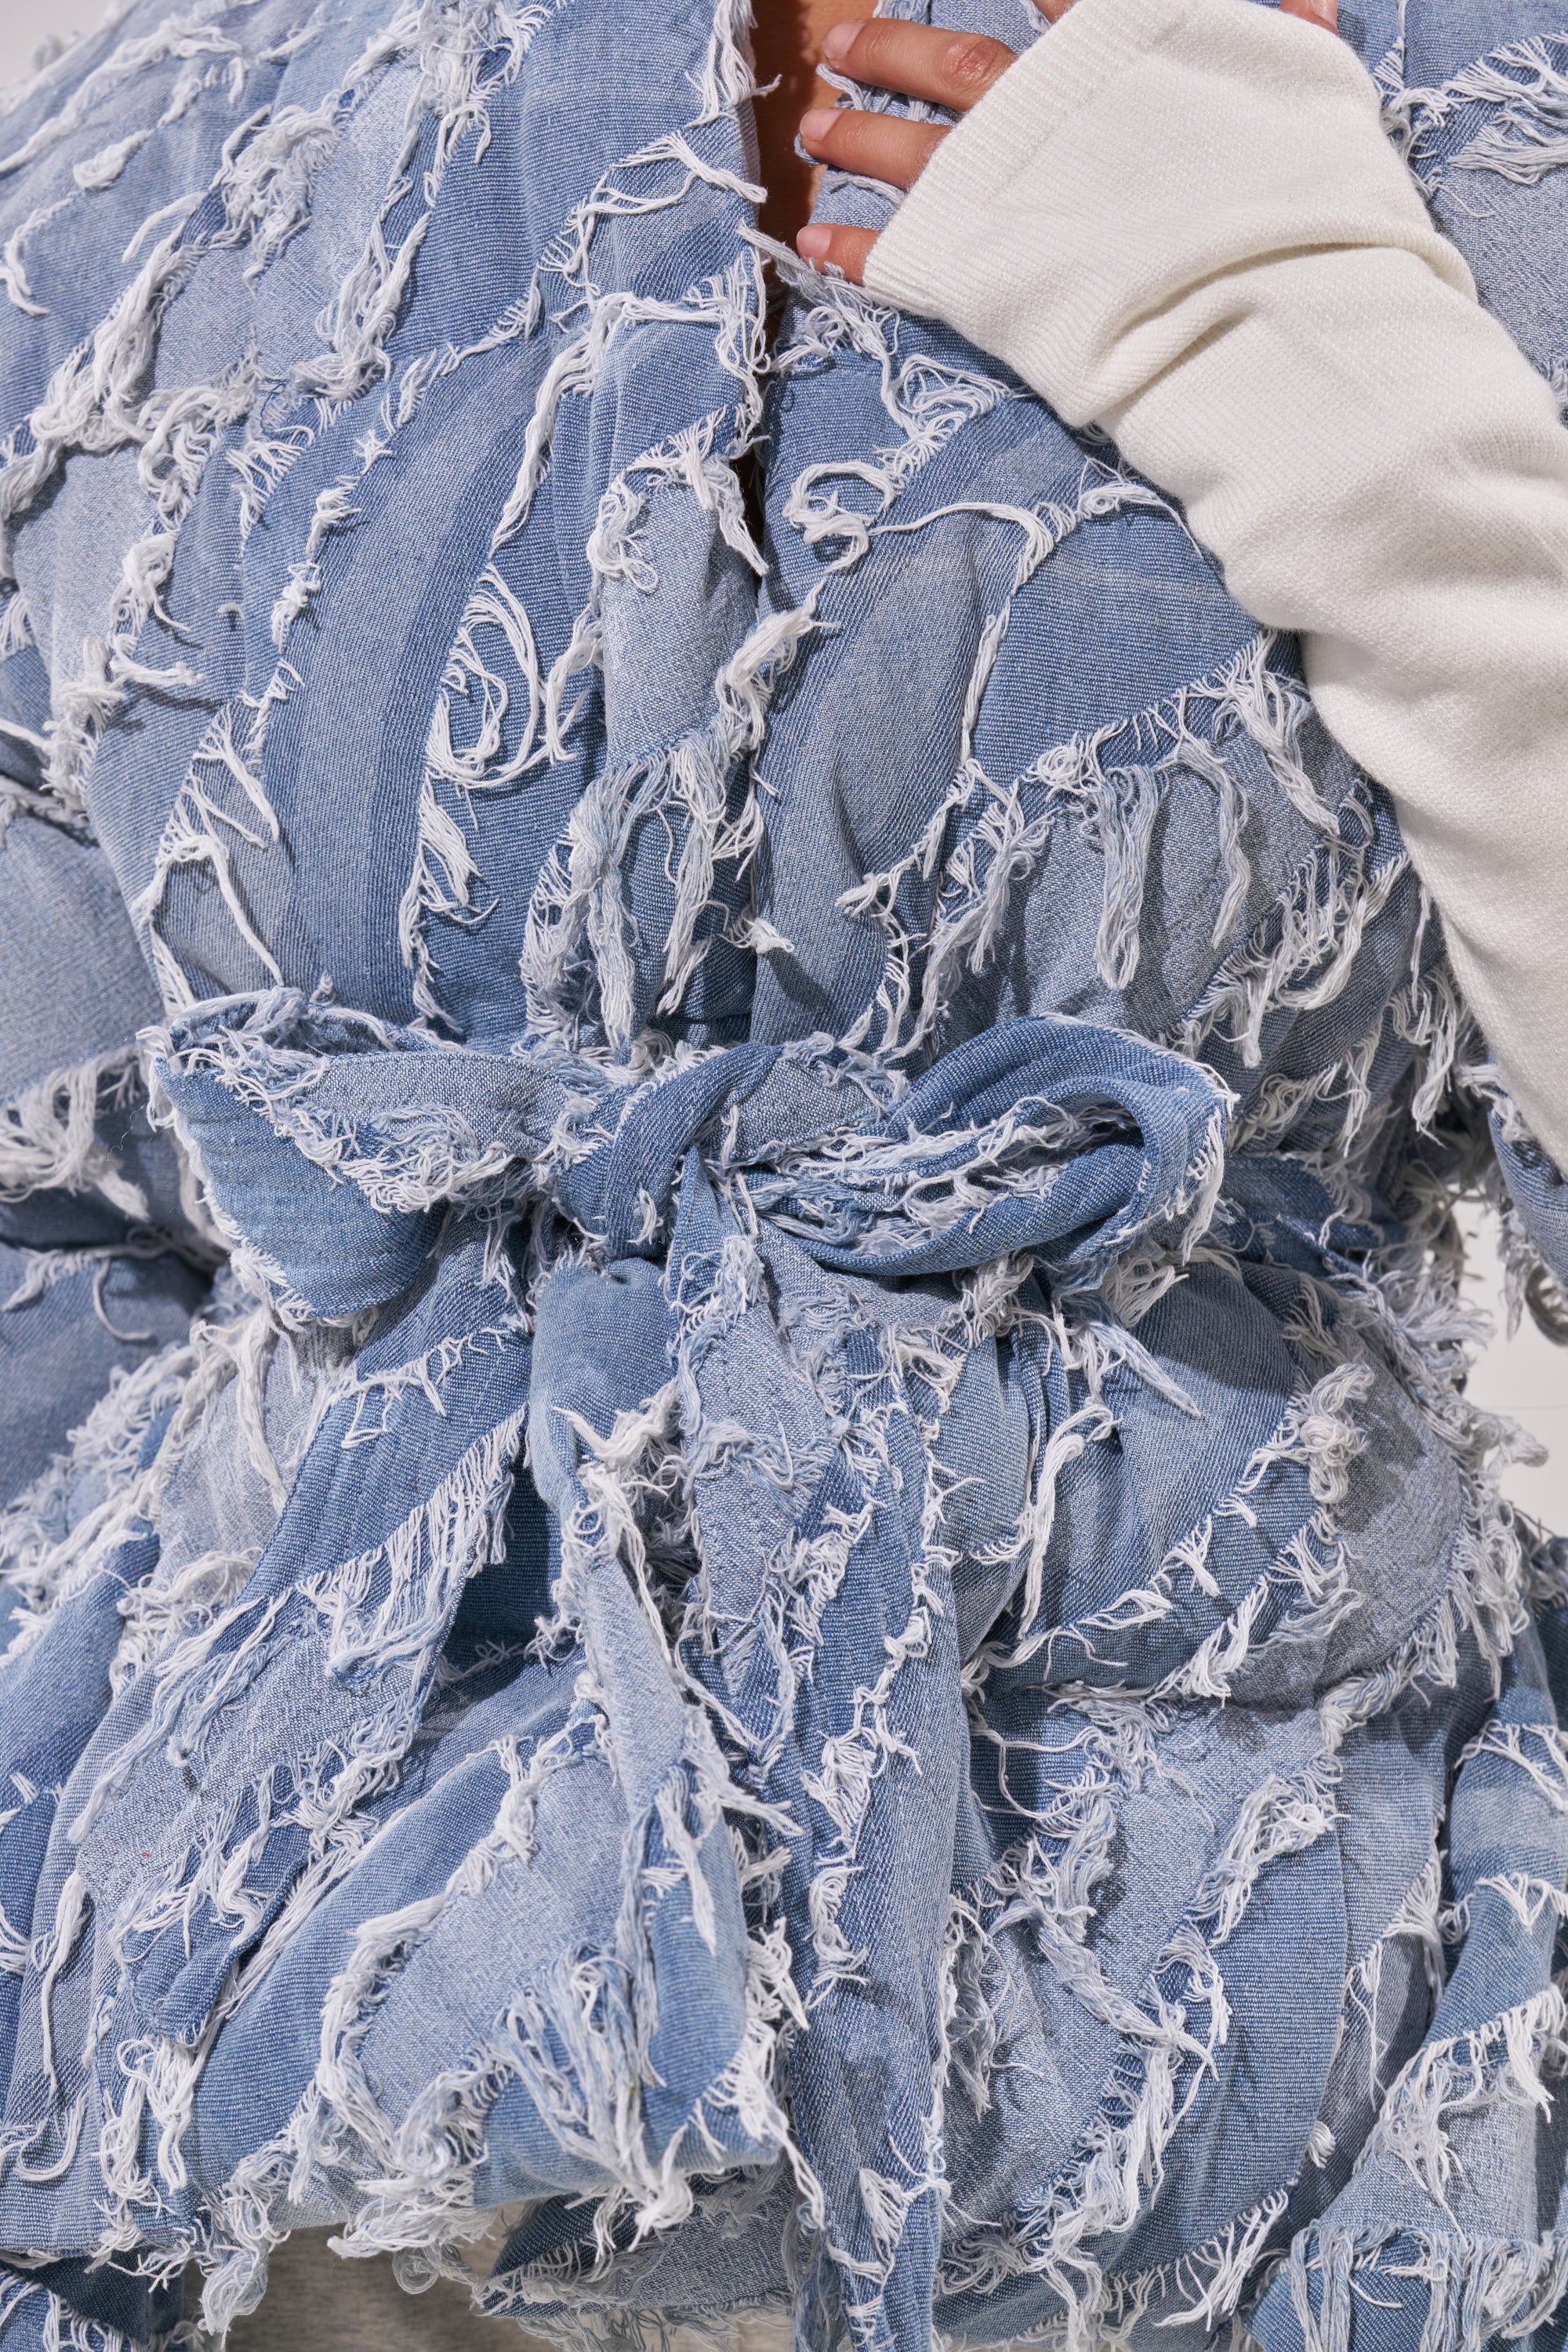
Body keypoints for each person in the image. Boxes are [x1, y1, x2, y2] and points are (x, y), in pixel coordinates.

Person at [1, 0, 1568, 2347]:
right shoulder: (166, 148)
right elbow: (57, 1154)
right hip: (240, 2120)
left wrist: (1321, 366)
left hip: (1242, 2100)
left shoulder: (1478, 107)